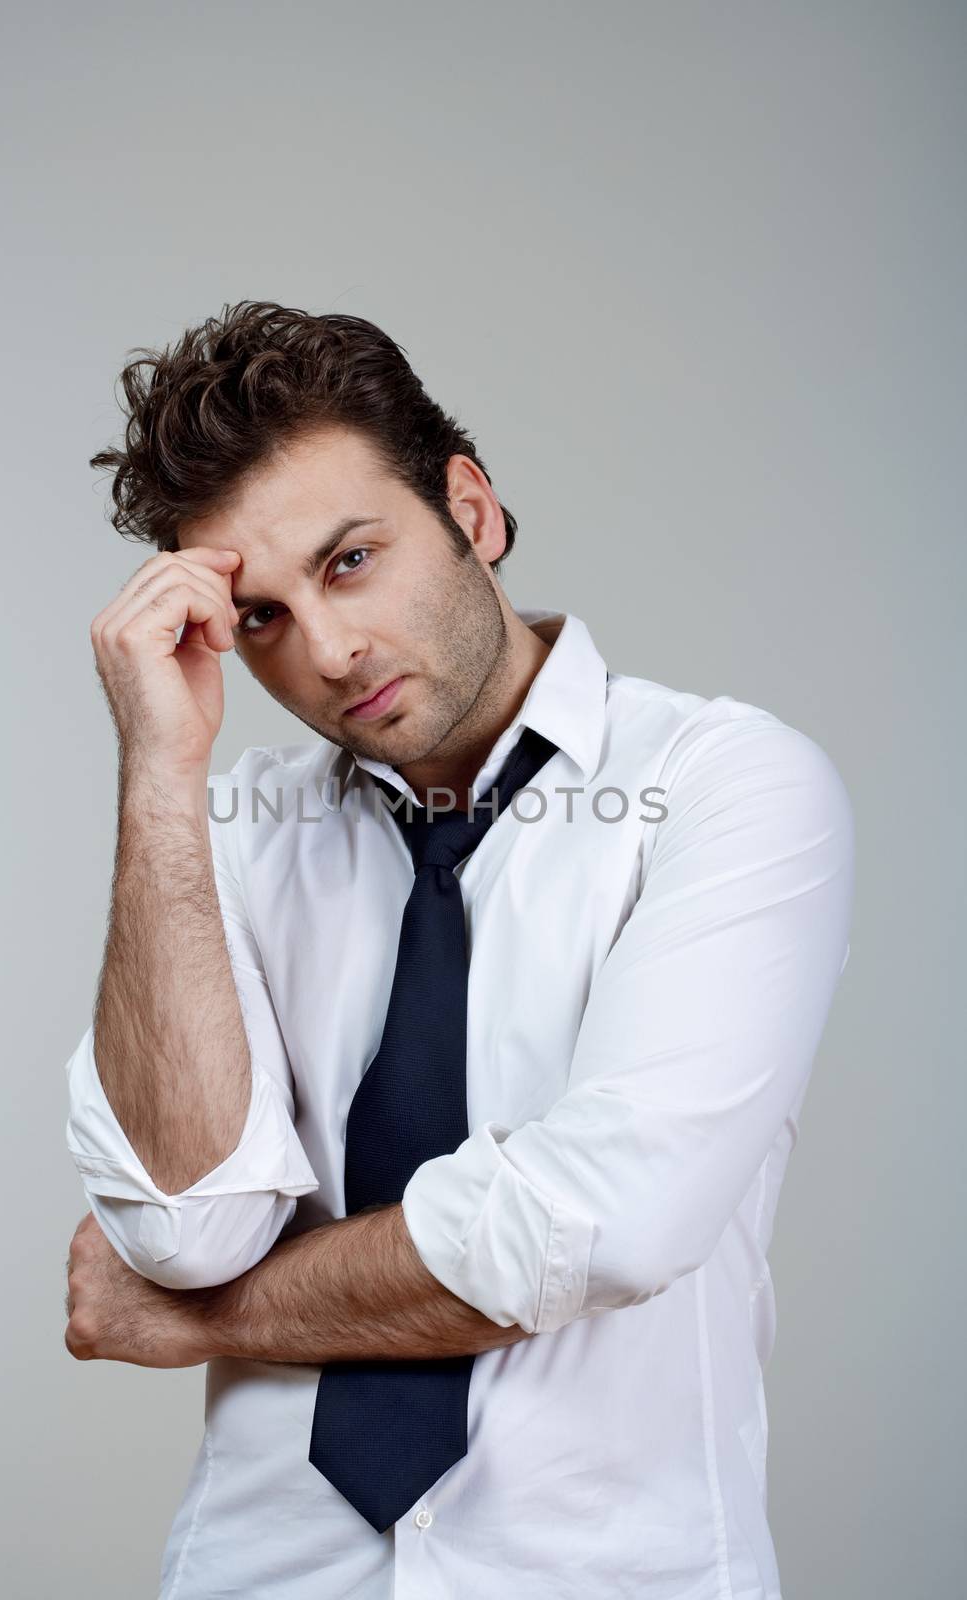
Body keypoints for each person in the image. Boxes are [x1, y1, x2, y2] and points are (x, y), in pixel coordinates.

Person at [62, 300, 854, 1599]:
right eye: (257, 617)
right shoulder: (235, 848)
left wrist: (198, 1328)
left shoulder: (726, 787)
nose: (326, 650)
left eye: (351, 560)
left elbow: (598, 1222)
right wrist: (161, 767)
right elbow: (181, 1230)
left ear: (471, 510)